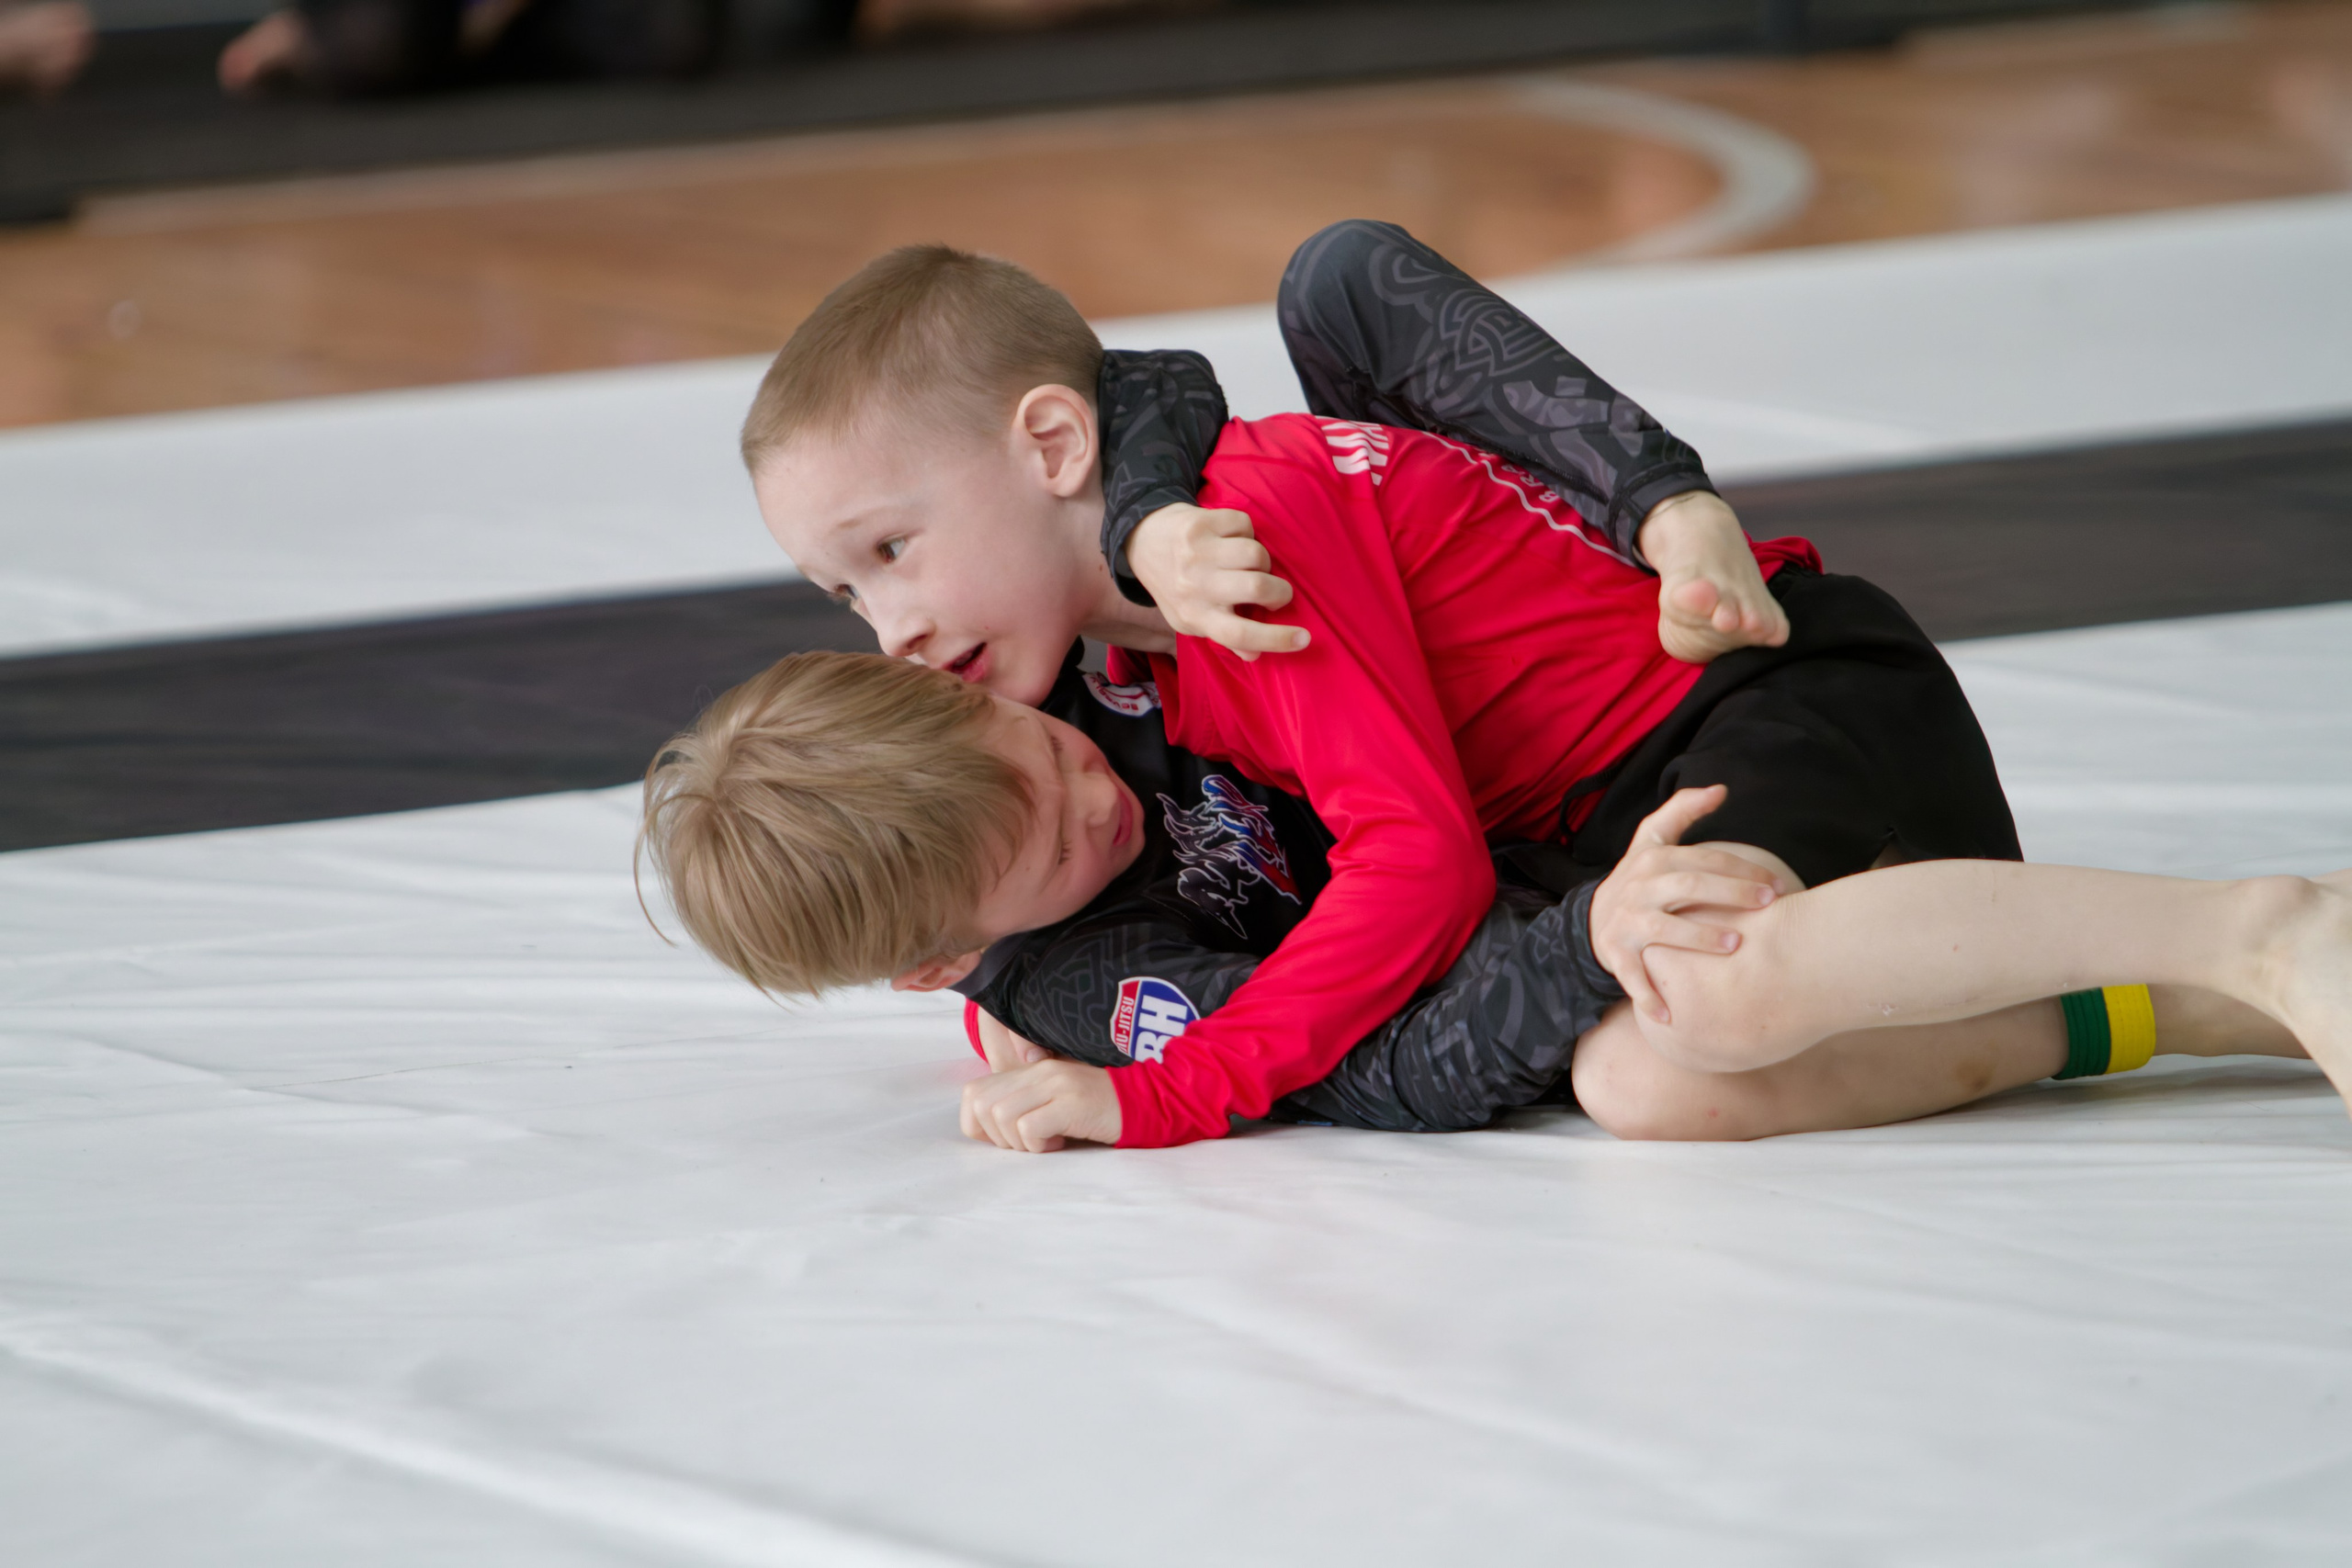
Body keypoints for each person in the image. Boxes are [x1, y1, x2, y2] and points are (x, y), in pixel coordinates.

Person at [657, 223, 2351, 1148]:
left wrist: (1163, 1089)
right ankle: (2202, 1007)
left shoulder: (1223, 553)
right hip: (1618, 809)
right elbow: (986, 904)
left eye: (889, 554)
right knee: (1651, 1084)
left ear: (1048, 447)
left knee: (1712, 993)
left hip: (1752, 706)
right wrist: (1022, 1002)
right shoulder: (1111, 659)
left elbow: (1417, 862)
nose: (895, 631)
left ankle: (2258, 931)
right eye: (842, 592)